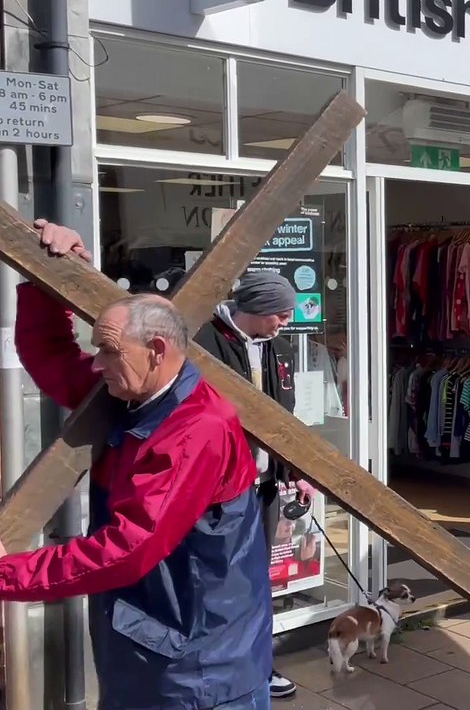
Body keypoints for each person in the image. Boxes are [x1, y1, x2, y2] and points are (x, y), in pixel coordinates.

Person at [0, 220, 272, 709]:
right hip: (149, 657)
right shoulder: (130, 391)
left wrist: (7, 574)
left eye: (107, 350)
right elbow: (51, 354)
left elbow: (128, 548)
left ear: (157, 351)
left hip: (197, 677)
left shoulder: (196, 429)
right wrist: (50, 273)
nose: (97, 363)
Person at [194, 270, 311, 699]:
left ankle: (259, 667)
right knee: (217, 583)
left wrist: (297, 471)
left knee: (259, 581)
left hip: (263, 486)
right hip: (215, 492)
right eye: (280, 314)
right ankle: (215, 672)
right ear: (256, 309)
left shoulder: (279, 349)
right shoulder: (204, 343)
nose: (285, 322)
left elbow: (287, 417)